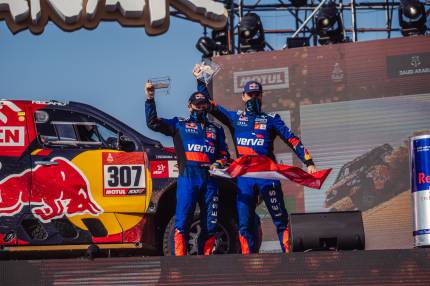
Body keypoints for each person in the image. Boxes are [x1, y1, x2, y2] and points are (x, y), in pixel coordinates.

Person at [194, 66, 317, 254]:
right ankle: (247, 263)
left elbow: (293, 140)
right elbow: (210, 105)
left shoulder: (271, 119)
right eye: (249, 95)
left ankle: (290, 260)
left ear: (261, 97)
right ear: (243, 97)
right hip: (245, 177)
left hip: (267, 175)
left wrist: (309, 162)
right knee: (244, 222)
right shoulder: (235, 118)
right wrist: (200, 81)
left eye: (256, 95)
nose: (253, 98)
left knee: (280, 219)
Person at [145, 81, 229, 256]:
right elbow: (152, 122)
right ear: (189, 107)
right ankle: (180, 262)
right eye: (197, 104)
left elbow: (224, 154)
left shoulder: (216, 129)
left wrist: (219, 163)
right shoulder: (179, 124)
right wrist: (150, 98)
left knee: (211, 223)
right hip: (188, 177)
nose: (201, 107)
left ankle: (207, 261)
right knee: (182, 221)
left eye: (203, 104)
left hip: (210, 179)